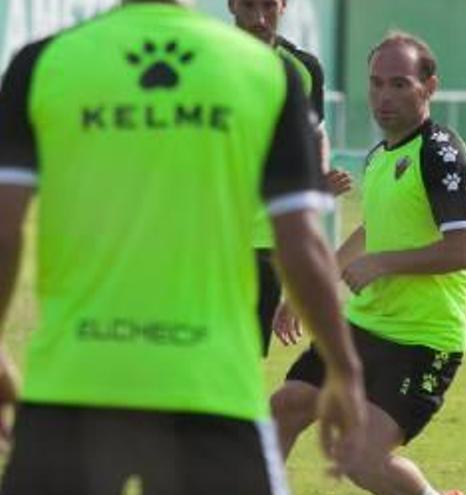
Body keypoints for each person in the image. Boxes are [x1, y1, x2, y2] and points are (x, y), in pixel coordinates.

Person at [0, 0, 367, 493]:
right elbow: (300, 240)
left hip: (75, 382)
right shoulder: (262, 72)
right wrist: (344, 368)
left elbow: (5, 228)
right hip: (209, 387)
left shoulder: (43, 63)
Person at [270, 31, 466, 495]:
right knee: (286, 406)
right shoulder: (380, 156)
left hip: (423, 339)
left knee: (360, 460)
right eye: (377, 84)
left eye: (400, 84)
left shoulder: (441, 154)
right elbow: (371, 231)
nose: (384, 97)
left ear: (429, 87)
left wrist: (384, 264)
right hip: (364, 326)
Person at [227, 0, 354, 355]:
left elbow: (314, 134)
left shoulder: (303, 68)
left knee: (247, 355)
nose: (260, 17)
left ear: (284, 6)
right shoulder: (208, 61)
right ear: (231, 5)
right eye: (249, 5)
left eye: (269, 5)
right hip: (212, 233)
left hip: (266, 237)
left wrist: (317, 178)